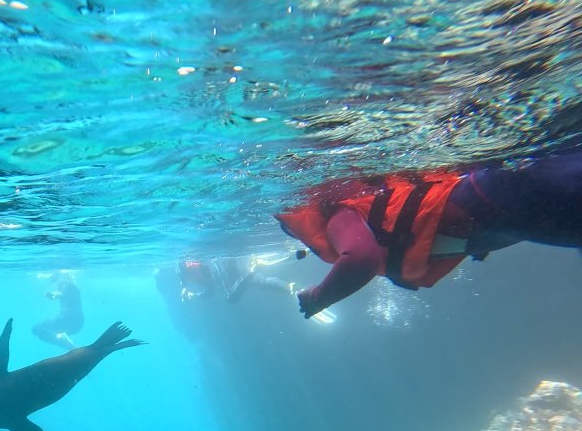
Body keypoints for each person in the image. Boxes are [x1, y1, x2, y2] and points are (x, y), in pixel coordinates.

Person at [276, 153, 582, 318]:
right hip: (494, 198)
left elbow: (362, 260)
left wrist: (318, 298)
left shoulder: (339, 216)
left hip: (491, 200)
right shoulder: (365, 206)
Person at [177, 254, 337, 322]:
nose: (195, 282)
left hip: (243, 263)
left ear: (192, 266)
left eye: (191, 278)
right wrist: (192, 294)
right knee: (261, 280)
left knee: (265, 274)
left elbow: (230, 296)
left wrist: (248, 275)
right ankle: (294, 289)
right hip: (243, 271)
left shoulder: (212, 265)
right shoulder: (206, 274)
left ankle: (301, 256)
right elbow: (209, 292)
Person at [32, 271, 84, 349]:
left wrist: (55, 295)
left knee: (37, 328)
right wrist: (53, 295)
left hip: (70, 321)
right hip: (70, 321)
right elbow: (60, 294)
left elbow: (63, 294)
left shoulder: (71, 287)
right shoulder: (67, 287)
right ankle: (63, 341)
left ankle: (62, 340)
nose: (56, 284)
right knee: (38, 331)